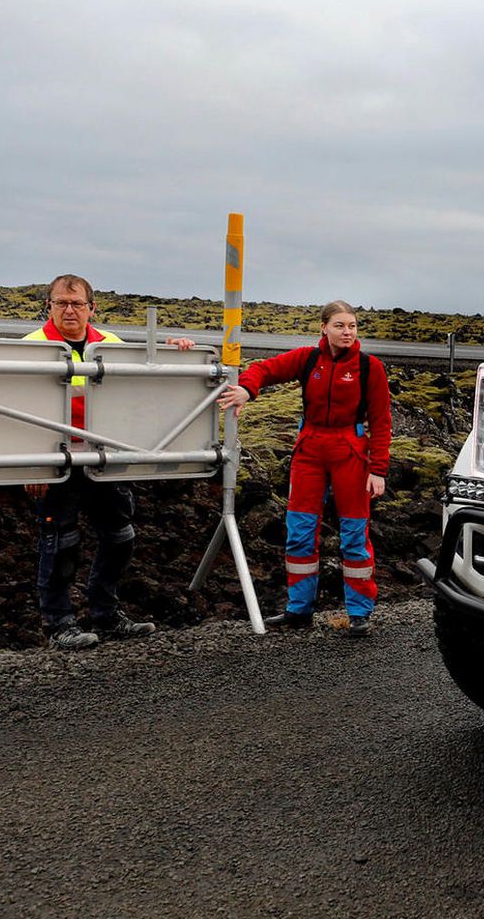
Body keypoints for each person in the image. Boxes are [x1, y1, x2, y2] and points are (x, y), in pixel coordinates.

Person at [24, 274, 195, 651]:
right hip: (57, 459)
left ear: (91, 308)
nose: (69, 310)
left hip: (106, 457)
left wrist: (172, 351)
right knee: (60, 542)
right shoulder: (32, 348)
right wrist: (31, 465)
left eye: (77, 304)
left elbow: (142, 387)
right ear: (48, 306)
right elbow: (18, 410)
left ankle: (106, 614)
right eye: (60, 303)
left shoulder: (111, 346)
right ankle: (59, 625)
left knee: (120, 536)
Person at [217, 300, 391, 638]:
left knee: (354, 534)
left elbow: (382, 423)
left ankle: (359, 613)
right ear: (323, 328)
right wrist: (247, 390)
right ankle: (299, 609)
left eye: (352, 326)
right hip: (309, 451)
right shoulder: (308, 358)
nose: (347, 332)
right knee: (299, 530)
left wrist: (379, 469)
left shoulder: (370, 368)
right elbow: (266, 369)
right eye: (340, 325)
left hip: (350, 453)